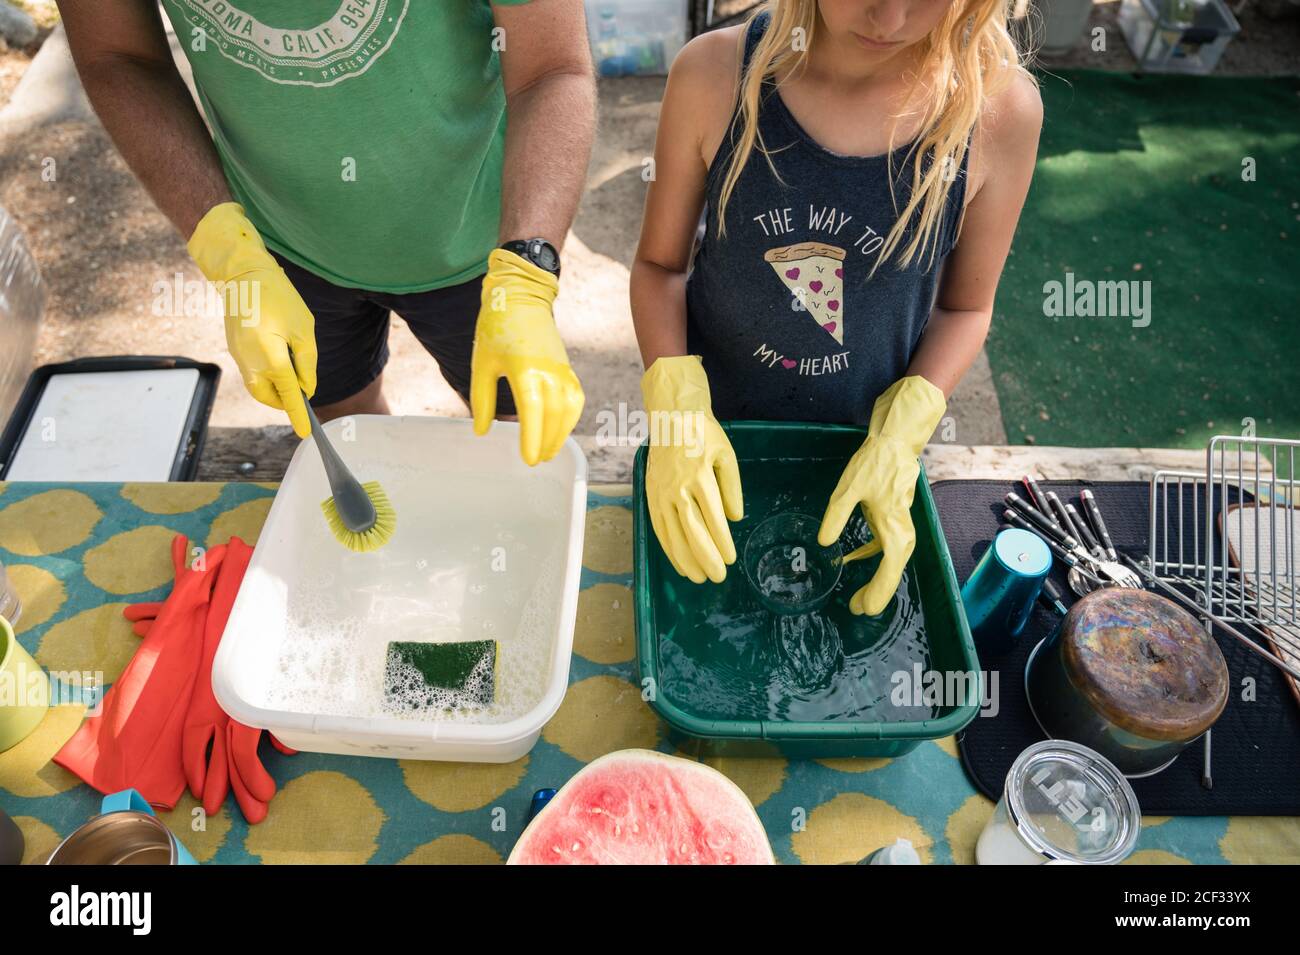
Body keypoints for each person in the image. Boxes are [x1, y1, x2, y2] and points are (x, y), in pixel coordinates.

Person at [631, 0, 1042, 614]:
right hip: (706, 448)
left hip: (856, 459)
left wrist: (902, 433)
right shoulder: (712, 75)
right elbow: (658, 268)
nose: (888, 18)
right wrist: (675, 411)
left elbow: (965, 310)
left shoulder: (999, 111)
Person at [58, 0, 594, 466]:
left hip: (483, 246)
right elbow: (117, 57)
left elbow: (552, 68)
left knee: (519, 437)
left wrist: (526, 271)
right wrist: (227, 249)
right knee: (349, 433)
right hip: (282, 249)